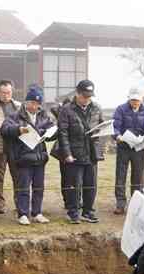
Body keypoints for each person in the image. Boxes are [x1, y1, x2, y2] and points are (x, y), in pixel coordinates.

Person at [0, 85, 55, 225]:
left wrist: (49, 133)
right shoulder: (15, 116)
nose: (34, 106)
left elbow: (52, 130)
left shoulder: (43, 115)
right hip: (22, 158)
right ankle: (23, 214)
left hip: (39, 157)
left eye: (37, 104)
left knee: (39, 187)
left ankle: (37, 212)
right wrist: (19, 130)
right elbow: (4, 129)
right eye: (31, 103)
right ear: (26, 102)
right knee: (23, 187)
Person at [56, 80, 104, 224]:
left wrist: (101, 140)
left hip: (91, 153)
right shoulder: (67, 110)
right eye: (84, 96)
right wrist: (67, 154)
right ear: (77, 93)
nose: (87, 99)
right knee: (74, 184)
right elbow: (62, 133)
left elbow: (101, 126)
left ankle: (88, 211)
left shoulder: (96, 108)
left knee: (91, 184)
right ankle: (73, 212)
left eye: (89, 96)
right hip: (74, 153)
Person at [112, 87, 144, 214]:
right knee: (121, 175)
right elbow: (115, 126)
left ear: (141, 100)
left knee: (137, 176)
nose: (135, 102)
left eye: (137, 100)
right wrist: (117, 136)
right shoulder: (121, 109)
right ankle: (120, 203)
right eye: (133, 100)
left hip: (138, 148)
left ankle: (135, 203)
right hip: (123, 146)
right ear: (129, 99)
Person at [0, 79, 21, 214]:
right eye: (3, 92)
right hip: (0, 146)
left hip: (16, 146)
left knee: (18, 176)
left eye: (8, 92)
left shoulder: (20, 107)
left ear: (12, 91)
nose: (6, 95)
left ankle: (19, 202)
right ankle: (0, 204)